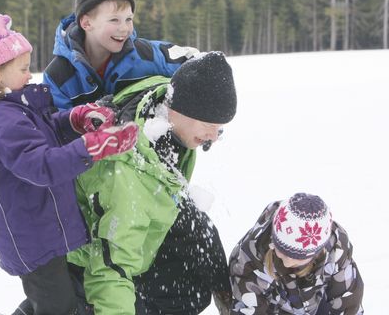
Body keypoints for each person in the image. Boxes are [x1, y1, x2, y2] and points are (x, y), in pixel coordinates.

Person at [0, 9, 139, 315]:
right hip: (32, 238)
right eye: (22, 68)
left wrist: (75, 119)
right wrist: (92, 148)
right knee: (57, 307)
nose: (29, 75)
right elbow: (41, 166)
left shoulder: (13, 107)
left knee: (51, 300)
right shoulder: (2, 120)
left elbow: (45, 129)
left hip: (42, 228)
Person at [67, 51, 237, 315]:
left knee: (199, 261)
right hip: (91, 260)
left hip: (142, 233)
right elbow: (112, 265)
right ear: (179, 110)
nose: (213, 137)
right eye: (208, 124)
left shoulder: (162, 103)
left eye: (220, 129)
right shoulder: (129, 177)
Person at [43, 0, 199, 110]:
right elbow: (55, 131)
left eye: (129, 19)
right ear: (86, 23)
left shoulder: (145, 54)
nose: (125, 29)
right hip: (87, 143)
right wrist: (91, 122)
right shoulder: (58, 76)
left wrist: (205, 113)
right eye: (114, 20)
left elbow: (196, 63)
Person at [228, 193, 364, 314]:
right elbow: (247, 306)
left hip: (316, 304)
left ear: (316, 253)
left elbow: (348, 301)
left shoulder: (336, 249)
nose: (287, 261)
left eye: (297, 258)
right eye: (281, 250)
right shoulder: (253, 253)